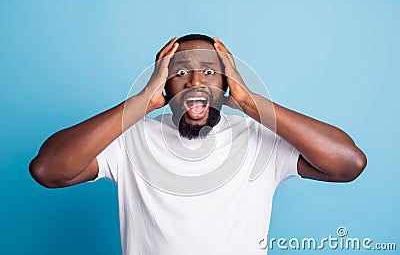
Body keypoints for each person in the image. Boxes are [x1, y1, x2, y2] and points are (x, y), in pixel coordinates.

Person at [29, 34, 367, 255]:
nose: (194, 81)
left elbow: (348, 164)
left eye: (208, 71)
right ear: (164, 83)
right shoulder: (131, 140)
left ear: (226, 82)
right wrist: (142, 103)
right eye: (180, 73)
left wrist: (250, 103)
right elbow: (48, 170)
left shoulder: (258, 140)